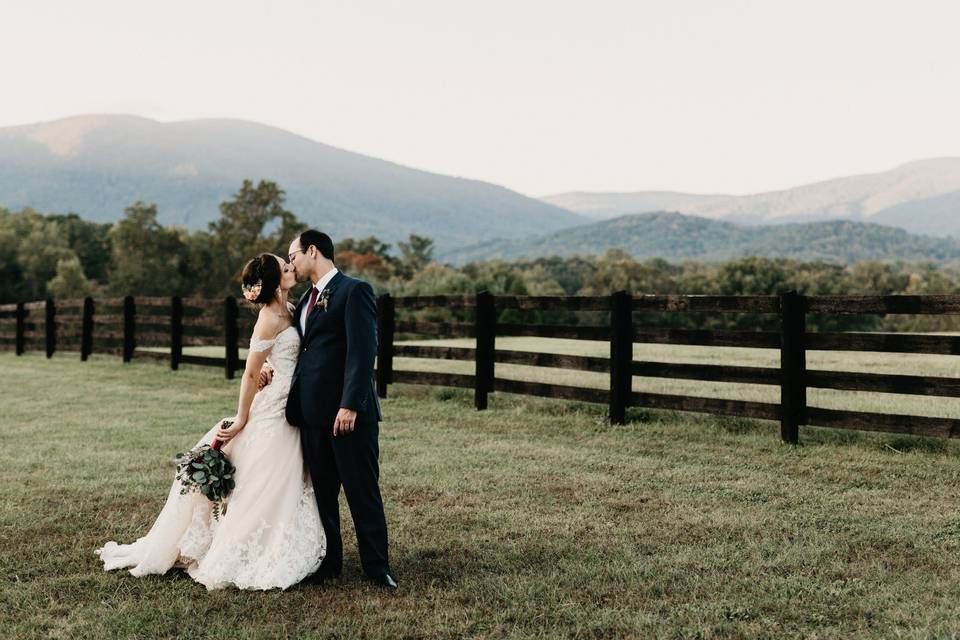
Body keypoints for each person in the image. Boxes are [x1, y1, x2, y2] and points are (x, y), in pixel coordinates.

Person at [95, 255, 325, 590]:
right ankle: (249, 548)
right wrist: (243, 416)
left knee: (283, 476)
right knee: (270, 475)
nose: (291, 269)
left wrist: (272, 368)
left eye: (290, 265)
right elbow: (249, 372)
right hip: (273, 408)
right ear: (274, 280)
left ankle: (277, 538)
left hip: (292, 402)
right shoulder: (268, 318)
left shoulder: (292, 309)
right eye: (285, 267)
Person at [268, 229, 395, 589]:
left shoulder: (354, 291)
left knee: (361, 489)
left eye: (293, 256)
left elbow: (361, 351)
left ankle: (376, 566)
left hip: (347, 415)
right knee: (322, 494)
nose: (290, 262)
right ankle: (329, 563)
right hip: (310, 415)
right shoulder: (306, 299)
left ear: (312, 251)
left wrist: (351, 404)